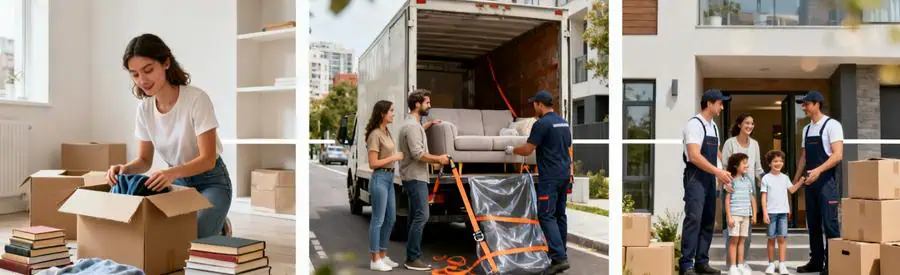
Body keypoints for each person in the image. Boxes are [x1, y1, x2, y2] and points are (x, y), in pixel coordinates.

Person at [106, 33, 232, 239]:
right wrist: (125, 169)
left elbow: (208, 160)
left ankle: (219, 225)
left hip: (212, 181)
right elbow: (145, 161)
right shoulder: (144, 109)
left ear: (166, 63)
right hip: (177, 183)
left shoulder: (196, 99)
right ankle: (210, 221)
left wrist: (171, 173)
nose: (142, 80)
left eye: (148, 70)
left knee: (193, 237)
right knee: (161, 237)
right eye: (135, 74)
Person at [506, 90, 573, 274]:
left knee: (546, 215)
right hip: (563, 175)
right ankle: (561, 254)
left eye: (534, 104)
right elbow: (569, 149)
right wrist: (571, 172)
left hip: (550, 178)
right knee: (560, 215)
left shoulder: (541, 124)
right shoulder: (563, 122)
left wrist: (512, 150)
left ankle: (558, 258)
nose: (533, 107)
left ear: (540, 104)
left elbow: (528, 150)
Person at [680, 89, 734, 275]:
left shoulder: (714, 126)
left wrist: (725, 173)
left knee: (708, 220)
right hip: (695, 177)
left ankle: (702, 262)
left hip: (710, 177)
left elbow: (716, 154)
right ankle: (687, 264)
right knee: (694, 219)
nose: (722, 106)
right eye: (720, 102)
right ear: (709, 103)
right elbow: (694, 156)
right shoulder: (694, 125)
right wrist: (717, 171)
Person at [397, 89, 449, 271]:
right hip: (415, 177)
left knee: (414, 217)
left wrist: (428, 125)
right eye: (427, 102)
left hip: (415, 176)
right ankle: (412, 258)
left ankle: (412, 256)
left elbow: (416, 137)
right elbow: (417, 153)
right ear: (417, 104)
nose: (430, 105)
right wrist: (438, 159)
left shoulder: (414, 124)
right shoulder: (412, 126)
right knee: (422, 215)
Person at [792, 91, 843, 275]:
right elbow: (804, 157)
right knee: (812, 224)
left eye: (806, 104)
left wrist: (818, 171)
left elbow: (838, 155)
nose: (803, 107)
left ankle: (834, 264)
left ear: (817, 104)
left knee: (830, 224)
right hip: (810, 184)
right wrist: (796, 180)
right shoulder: (806, 129)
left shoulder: (832, 125)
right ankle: (816, 261)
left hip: (826, 183)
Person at [364, 100, 404, 272]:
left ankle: (382, 255)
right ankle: (374, 259)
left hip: (389, 179)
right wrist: (394, 158)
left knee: (391, 218)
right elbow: (373, 163)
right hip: (380, 178)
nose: (393, 113)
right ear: (382, 113)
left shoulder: (387, 132)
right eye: (391, 111)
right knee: (378, 220)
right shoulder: (375, 135)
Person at [720, 113, 764, 268]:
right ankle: (731, 264)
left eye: (752, 123)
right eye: (747, 123)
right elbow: (724, 167)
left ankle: (742, 262)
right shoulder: (730, 143)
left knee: (747, 231)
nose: (750, 126)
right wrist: (726, 185)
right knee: (731, 229)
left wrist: (767, 182)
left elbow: (758, 169)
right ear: (739, 125)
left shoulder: (755, 144)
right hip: (731, 186)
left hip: (749, 187)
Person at [761, 150, 804, 275]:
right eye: (775, 161)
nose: (778, 163)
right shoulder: (766, 178)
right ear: (769, 163)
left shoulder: (785, 178)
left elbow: (792, 190)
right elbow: (763, 197)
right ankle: (770, 264)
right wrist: (764, 213)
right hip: (771, 213)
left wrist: (800, 181)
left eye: (780, 161)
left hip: (783, 213)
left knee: (782, 239)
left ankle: (782, 264)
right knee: (771, 239)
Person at [724, 153, 757, 275]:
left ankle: (740, 265)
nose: (746, 165)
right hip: (735, 215)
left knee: (742, 241)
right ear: (736, 166)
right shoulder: (730, 181)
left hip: (745, 215)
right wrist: (729, 216)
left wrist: (753, 214)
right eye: (744, 163)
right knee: (734, 240)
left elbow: (752, 198)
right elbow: (727, 199)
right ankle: (732, 267)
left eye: (747, 163)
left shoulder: (747, 180)